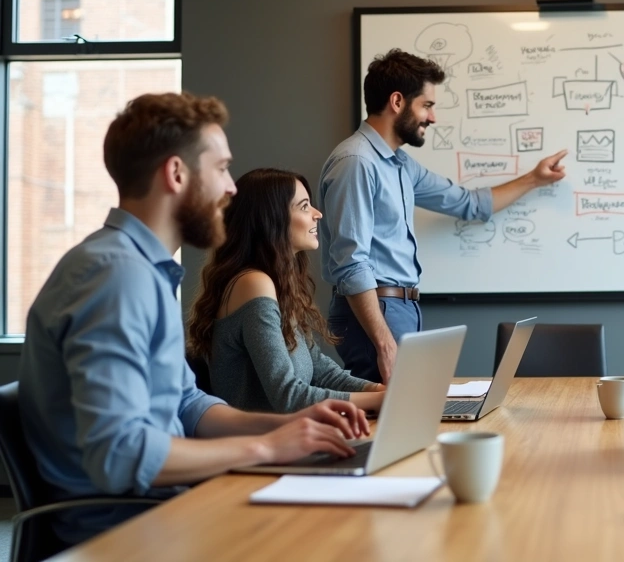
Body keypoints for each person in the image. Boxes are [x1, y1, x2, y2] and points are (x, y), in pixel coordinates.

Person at [19, 93, 370, 545]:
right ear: (177, 173)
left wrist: (294, 426)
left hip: (168, 505)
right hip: (125, 531)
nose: (231, 188)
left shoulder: (146, 271)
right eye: (221, 168)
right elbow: (119, 454)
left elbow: (188, 405)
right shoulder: (116, 277)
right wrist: (265, 447)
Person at [321, 48, 567, 383]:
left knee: (405, 415)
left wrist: (534, 179)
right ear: (397, 102)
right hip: (375, 312)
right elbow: (351, 262)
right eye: (427, 105)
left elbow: (469, 203)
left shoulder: (400, 165)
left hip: (399, 308)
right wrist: (384, 342)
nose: (432, 118)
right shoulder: (357, 162)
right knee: (384, 423)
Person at [187, 168, 386, 414]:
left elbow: (322, 371)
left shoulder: (278, 285)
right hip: (260, 445)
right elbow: (288, 395)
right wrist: (381, 401)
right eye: (304, 207)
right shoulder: (253, 284)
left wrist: (380, 390)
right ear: (272, 219)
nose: (317, 214)